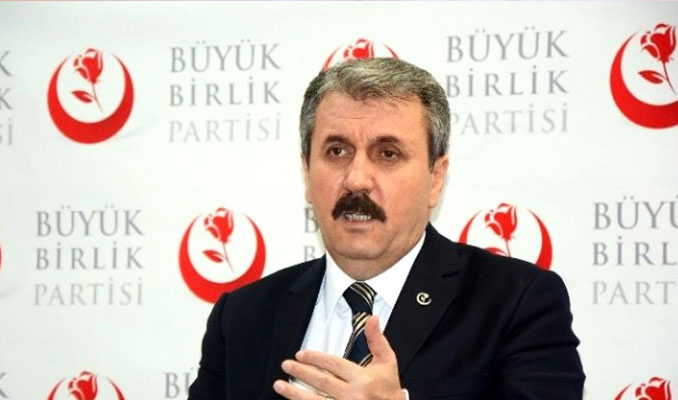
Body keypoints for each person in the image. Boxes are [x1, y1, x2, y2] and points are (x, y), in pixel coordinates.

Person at [188, 58, 585, 400]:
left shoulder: (517, 303)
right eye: (337, 151)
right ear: (307, 172)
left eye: (388, 154)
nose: (357, 179)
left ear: (435, 178)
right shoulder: (242, 316)